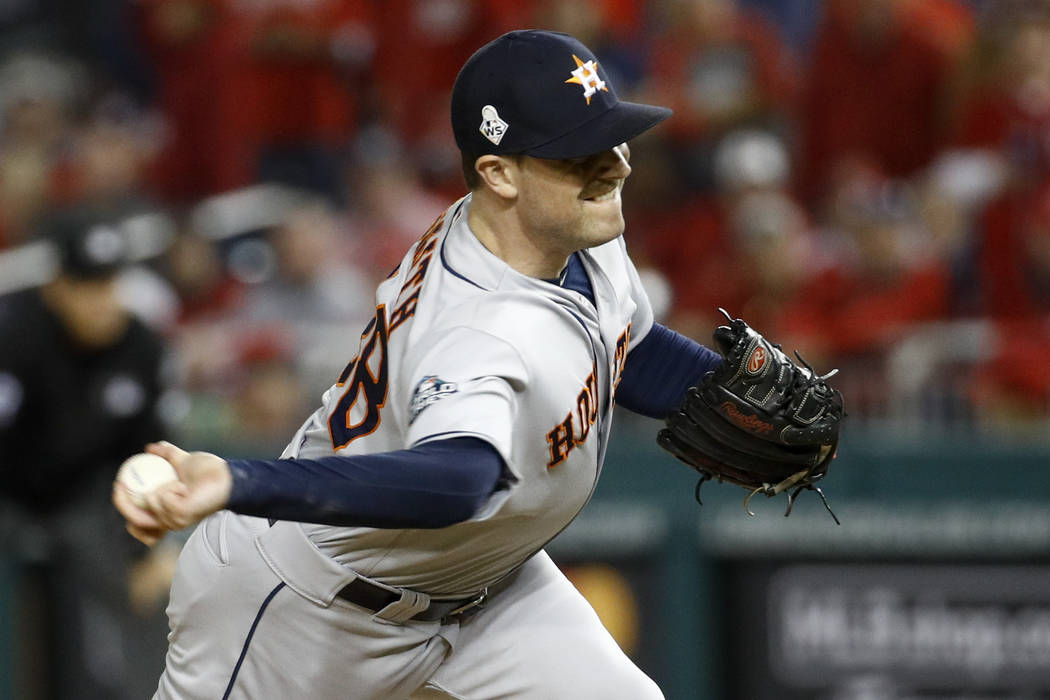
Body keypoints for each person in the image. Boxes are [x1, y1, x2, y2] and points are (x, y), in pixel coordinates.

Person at [114, 30, 725, 699]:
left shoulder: (563, 229)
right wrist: (239, 481)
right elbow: (459, 481)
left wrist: (724, 391)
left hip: (486, 592)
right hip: (305, 607)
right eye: (579, 153)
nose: (614, 165)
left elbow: (623, 348)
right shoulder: (479, 328)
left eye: (611, 136)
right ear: (499, 174)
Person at [0, 205, 174, 699]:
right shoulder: (17, 337)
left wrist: (144, 550)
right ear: (58, 288)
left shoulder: (140, 346)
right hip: (9, 496)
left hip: (83, 501)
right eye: (86, 285)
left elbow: (147, 453)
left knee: (151, 582)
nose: (101, 301)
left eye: (109, 283)